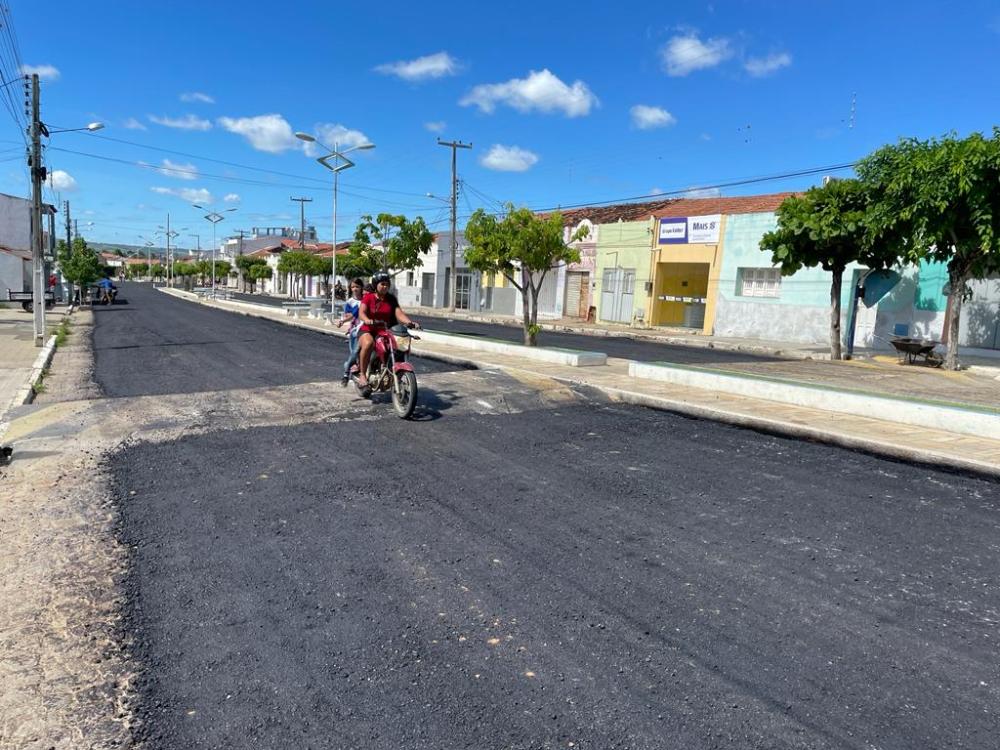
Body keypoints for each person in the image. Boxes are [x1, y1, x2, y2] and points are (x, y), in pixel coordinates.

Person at [356, 272, 419, 394]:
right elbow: (361, 312)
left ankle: (388, 368)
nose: (385, 287)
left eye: (387, 284)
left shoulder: (391, 299)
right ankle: (363, 375)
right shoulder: (369, 297)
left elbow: (399, 313)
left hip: (384, 330)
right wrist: (367, 320)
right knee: (369, 343)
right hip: (368, 329)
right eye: (382, 284)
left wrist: (410, 322)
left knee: (395, 346)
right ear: (376, 285)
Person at [336, 278, 365, 386]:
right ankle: (346, 374)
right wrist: (343, 320)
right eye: (353, 287)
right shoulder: (350, 302)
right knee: (355, 352)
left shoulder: (367, 299)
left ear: (361, 287)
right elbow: (348, 316)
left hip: (369, 328)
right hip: (356, 330)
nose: (355, 289)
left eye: (357, 286)